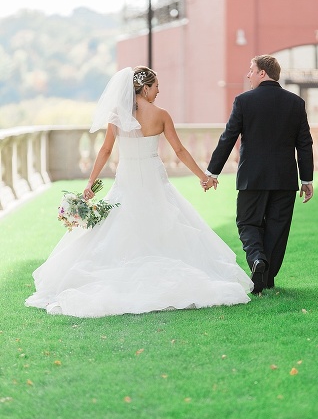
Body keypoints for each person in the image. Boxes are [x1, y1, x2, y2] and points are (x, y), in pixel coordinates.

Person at [26, 67, 253, 317]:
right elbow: (179, 151)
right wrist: (203, 177)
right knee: (165, 222)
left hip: (127, 179)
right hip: (153, 178)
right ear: (145, 88)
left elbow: (105, 150)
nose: (159, 91)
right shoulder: (161, 115)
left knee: (120, 227)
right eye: (156, 86)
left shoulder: (117, 116)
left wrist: (90, 182)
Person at [204, 55, 314, 295]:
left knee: (247, 222)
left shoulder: (244, 101)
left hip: (252, 178)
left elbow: (228, 137)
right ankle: (267, 277)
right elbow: (304, 143)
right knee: (277, 227)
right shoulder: (296, 103)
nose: (248, 75)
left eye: (251, 70)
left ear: (262, 73)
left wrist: (212, 171)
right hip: (285, 179)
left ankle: (256, 260)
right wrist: (306, 179)